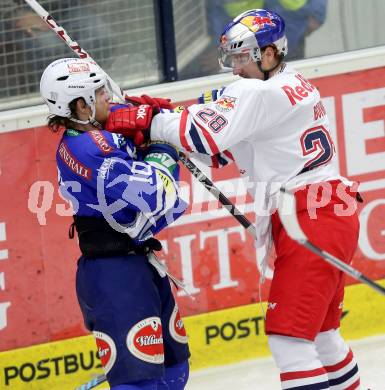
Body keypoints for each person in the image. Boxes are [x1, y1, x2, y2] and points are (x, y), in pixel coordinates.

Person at [106, 9, 361, 389]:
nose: (235, 67)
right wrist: (163, 114)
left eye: (243, 57)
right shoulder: (290, 84)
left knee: (289, 342)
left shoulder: (256, 91)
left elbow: (201, 136)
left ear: (270, 53)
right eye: (232, 58)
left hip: (310, 216)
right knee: (322, 335)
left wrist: (147, 119)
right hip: (329, 211)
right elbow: (217, 141)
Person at [39, 57, 190, 390]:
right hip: (115, 277)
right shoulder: (91, 149)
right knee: (140, 384)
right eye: (99, 91)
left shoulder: (93, 136)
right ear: (81, 105)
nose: (109, 96)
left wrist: (137, 123)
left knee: (175, 368)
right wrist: (160, 142)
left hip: (136, 265)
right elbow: (158, 195)